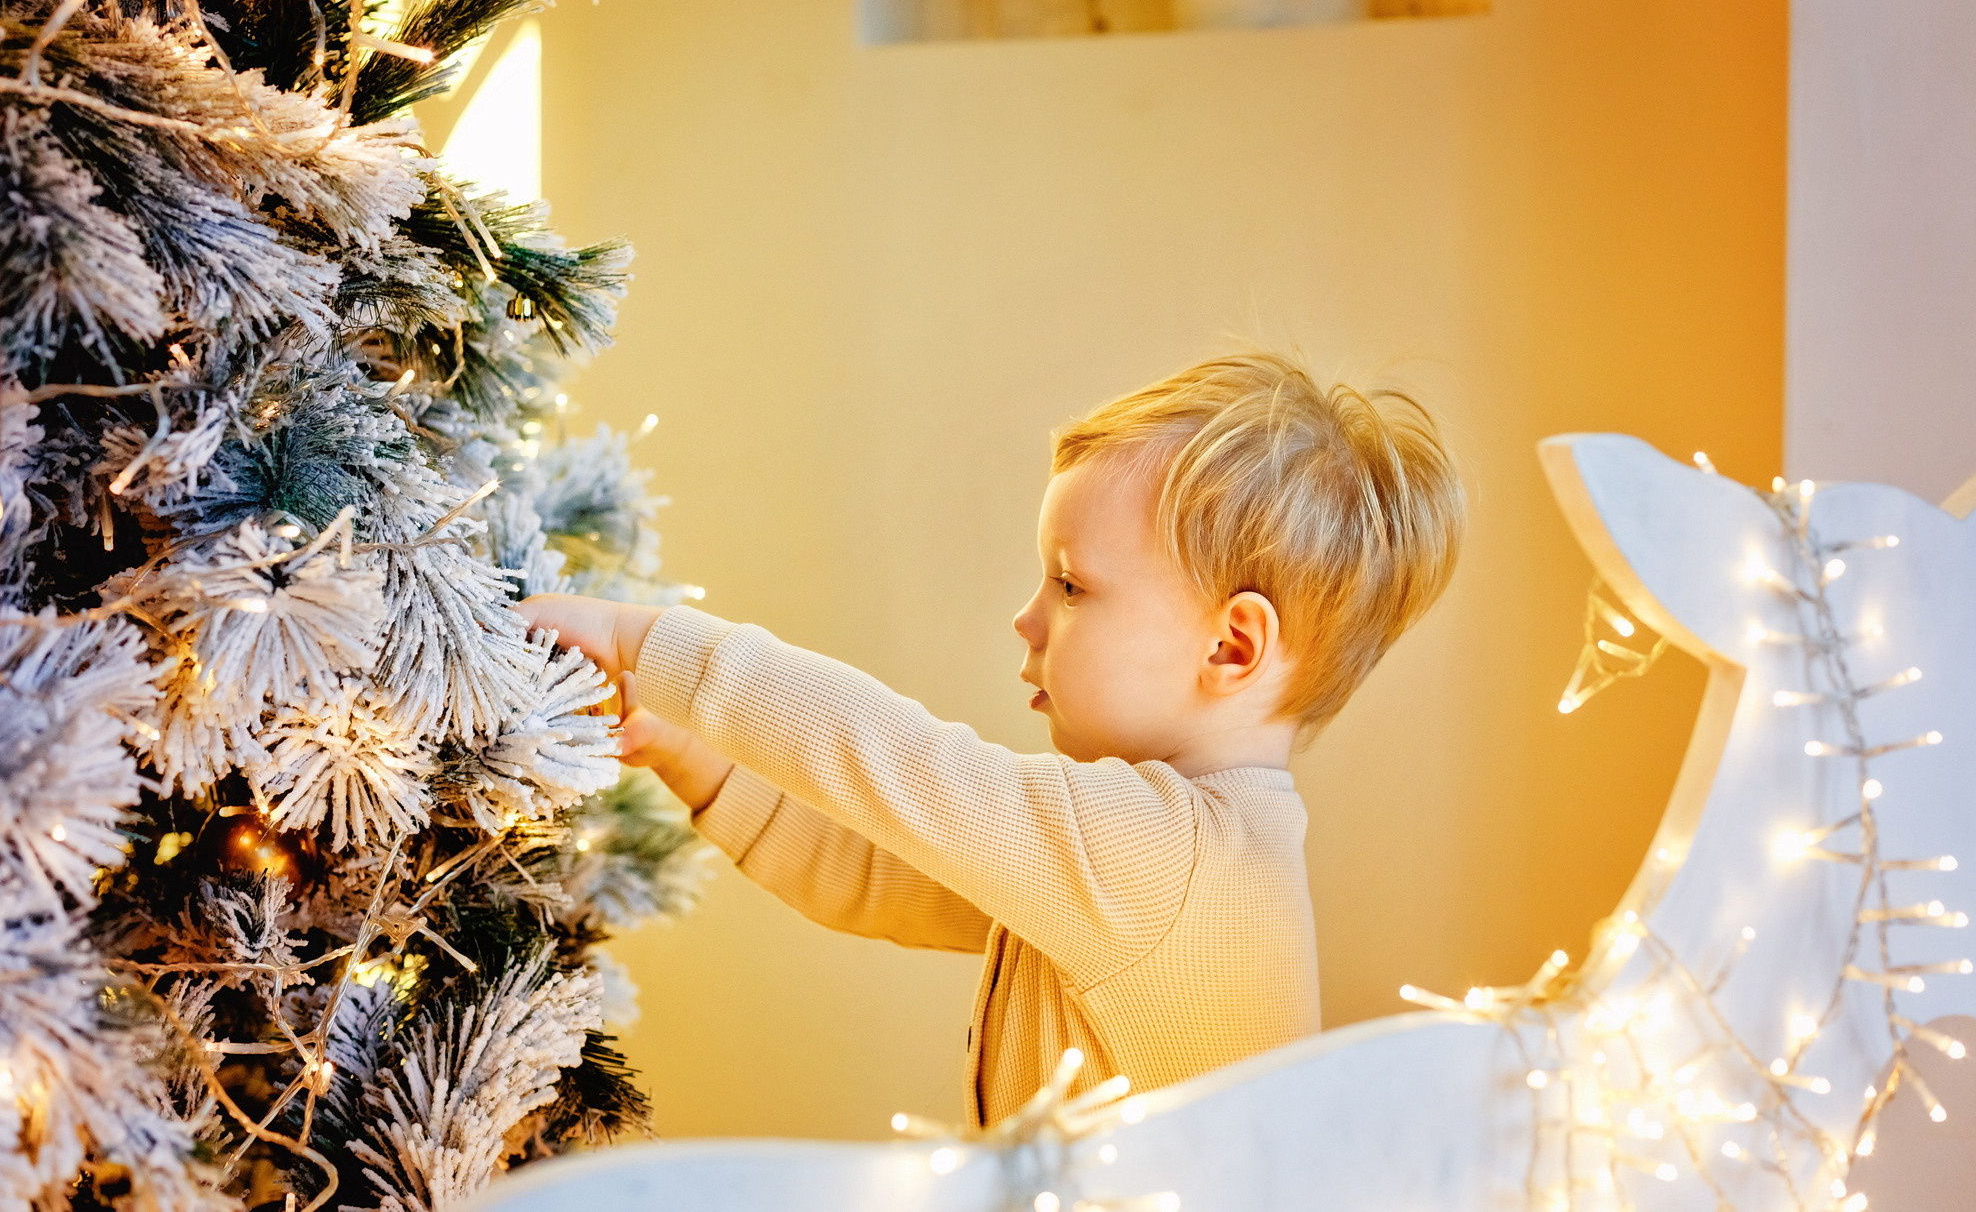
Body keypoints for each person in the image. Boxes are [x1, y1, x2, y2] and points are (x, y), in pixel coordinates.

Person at [521, 351, 1465, 1129]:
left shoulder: (1168, 860)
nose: (1028, 617)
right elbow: (879, 868)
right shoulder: (1132, 856)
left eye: (1072, 585)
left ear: (1230, 645)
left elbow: (905, 769)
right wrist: (697, 756)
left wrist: (645, 637)